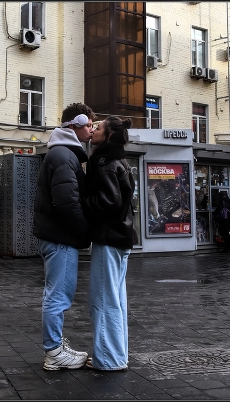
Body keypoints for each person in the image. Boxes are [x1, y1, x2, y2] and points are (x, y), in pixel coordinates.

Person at [33, 102, 97, 370]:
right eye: (89, 125)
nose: (92, 130)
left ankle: (56, 345)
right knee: (58, 295)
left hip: (57, 236)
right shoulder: (63, 156)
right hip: (61, 238)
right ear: (75, 124)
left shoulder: (61, 153)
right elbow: (67, 203)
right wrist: (85, 233)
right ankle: (54, 351)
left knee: (56, 293)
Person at [83, 116, 136, 371]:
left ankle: (108, 359)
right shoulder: (120, 159)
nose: (93, 130)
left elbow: (108, 200)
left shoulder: (103, 161)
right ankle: (117, 355)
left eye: (99, 127)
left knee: (103, 300)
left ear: (109, 135)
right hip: (121, 237)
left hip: (109, 237)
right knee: (116, 299)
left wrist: (82, 203)